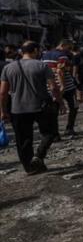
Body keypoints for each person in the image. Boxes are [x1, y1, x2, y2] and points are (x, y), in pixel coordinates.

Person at [0, 41, 62, 174]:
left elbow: (3, 92)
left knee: (23, 139)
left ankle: (30, 168)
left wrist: (3, 111)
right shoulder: (42, 65)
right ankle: (39, 156)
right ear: (35, 50)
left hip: (18, 109)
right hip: (41, 106)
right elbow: (53, 87)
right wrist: (60, 102)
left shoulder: (8, 68)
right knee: (50, 132)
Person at [41, 39, 79, 137]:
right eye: (69, 47)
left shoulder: (45, 55)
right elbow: (60, 71)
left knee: (54, 111)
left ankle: (55, 133)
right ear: (63, 45)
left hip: (51, 86)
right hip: (67, 87)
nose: (70, 50)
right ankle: (69, 129)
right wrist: (62, 85)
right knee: (74, 107)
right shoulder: (62, 56)